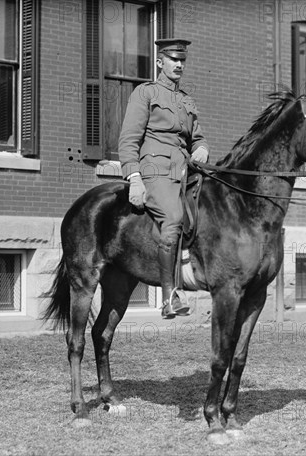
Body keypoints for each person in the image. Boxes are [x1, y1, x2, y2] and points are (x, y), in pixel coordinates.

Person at [119, 38, 210, 319]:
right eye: (174, 59)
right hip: (155, 171)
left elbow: (197, 137)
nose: (179, 64)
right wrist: (134, 177)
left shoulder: (186, 101)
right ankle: (170, 295)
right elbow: (128, 139)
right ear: (160, 62)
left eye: (183, 60)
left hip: (186, 172)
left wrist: (202, 148)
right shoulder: (145, 93)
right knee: (173, 217)